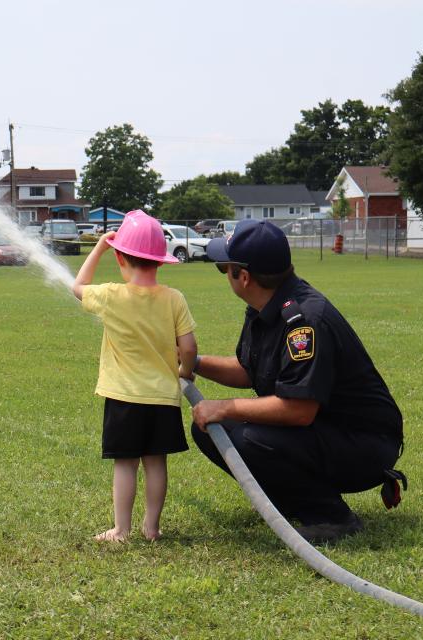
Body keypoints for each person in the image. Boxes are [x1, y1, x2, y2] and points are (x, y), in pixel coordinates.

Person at [189, 219, 405, 543]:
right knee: (210, 430)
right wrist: (192, 362)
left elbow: (298, 410)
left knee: (249, 437)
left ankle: (332, 519)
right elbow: (250, 370)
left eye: (225, 268)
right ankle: (291, 503)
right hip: (328, 432)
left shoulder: (305, 320)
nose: (225, 273)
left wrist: (225, 407)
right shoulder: (266, 305)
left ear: (244, 276)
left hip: (365, 444)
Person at [73, 210, 198, 542]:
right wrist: (185, 371)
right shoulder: (174, 299)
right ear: (160, 261)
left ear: (120, 258)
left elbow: (78, 286)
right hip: (162, 399)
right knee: (156, 463)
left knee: (125, 465)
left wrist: (98, 247)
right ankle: (152, 527)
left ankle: (121, 529)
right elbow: (188, 346)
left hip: (124, 398)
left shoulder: (112, 295)